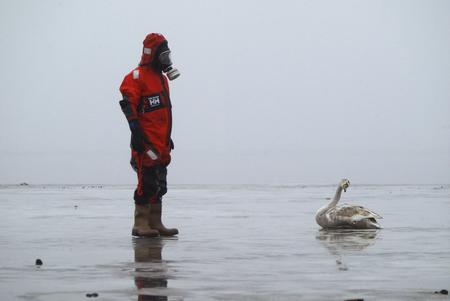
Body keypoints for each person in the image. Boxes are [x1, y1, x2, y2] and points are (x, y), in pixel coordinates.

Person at [119, 33, 180, 237]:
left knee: (159, 183)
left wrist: (167, 137)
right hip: (145, 143)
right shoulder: (136, 77)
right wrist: (135, 130)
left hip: (161, 143)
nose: (166, 60)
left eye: (167, 56)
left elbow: (163, 112)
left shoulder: (162, 80)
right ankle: (140, 223)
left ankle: (156, 222)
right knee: (146, 182)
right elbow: (128, 103)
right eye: (162, 56)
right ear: (152, 54)